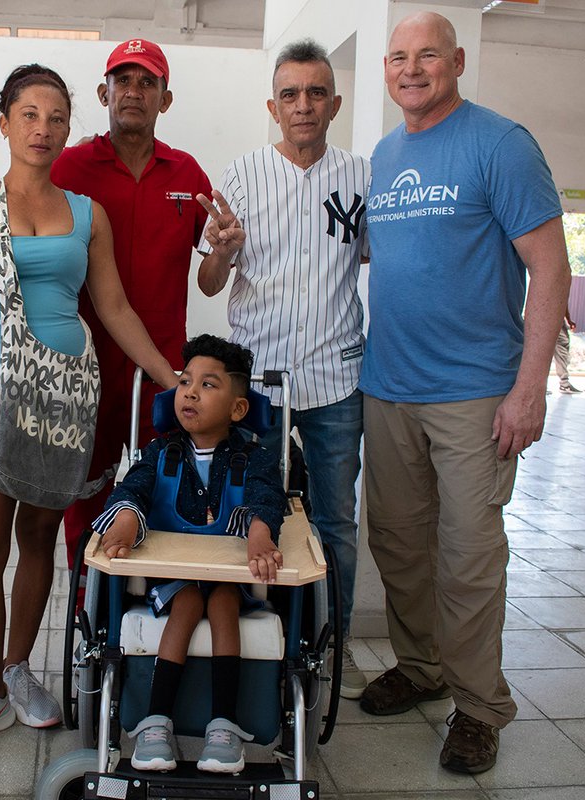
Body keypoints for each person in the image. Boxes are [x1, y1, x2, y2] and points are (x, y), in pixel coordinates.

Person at [0, 64, 179, 758]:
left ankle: (17, 669)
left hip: (64, 397)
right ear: (4, 123)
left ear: (69, 127)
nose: (42, 129)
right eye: (29, 115)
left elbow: (114, 308)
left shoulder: (86, 213)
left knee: (39, 539)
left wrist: (170, 378)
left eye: (56, 117)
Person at [358, 12, 571, 774]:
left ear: (456, 61)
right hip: (388, 385)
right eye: (398, 58)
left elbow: (551, 267)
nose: (411, 69)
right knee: (397, 543)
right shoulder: (384, 155)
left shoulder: (500, 144)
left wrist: (530, 388)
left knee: (469, 556)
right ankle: (422, 668)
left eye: (427, 56)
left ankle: (479, 707)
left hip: (474, 393)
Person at [195, 38, 370, 699]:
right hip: (259, 386)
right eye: (290, 95)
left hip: (335, 380)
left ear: (334, 104)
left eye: (316, 93)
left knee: (336, 522)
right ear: (273, 107)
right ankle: (253, 642)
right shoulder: (241, 176)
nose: (303, 105)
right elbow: (210, 282)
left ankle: (331, 646)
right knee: (249, 513)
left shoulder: (360, 177)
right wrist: (223, 250)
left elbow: (379, 259)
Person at [52, 39, 212, 574]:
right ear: (104, 93)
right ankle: (86, 602)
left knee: (165, 494)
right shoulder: (69, 168)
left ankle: (155, 604)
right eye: (123, 80)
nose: (134, 92)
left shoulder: (187, 175)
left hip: (162, 370)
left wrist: (225, 251)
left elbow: (212, 277)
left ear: (165, 99)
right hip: (85, 366)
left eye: (147, 82)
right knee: (84, 495)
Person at [94, 334, 287, 774]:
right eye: (184, 382)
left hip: (229, 574)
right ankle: (155, 721)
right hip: (176, 574)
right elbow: (134, 486)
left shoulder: (253, 457)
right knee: (186, 602)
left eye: (208, 384)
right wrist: (125, 517)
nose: (191, 392)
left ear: (238, 408)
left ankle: (224, 726)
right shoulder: (161, 452)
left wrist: (260, 532)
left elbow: (266, 495)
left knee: (222, 600)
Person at [552, 309, 578, 393]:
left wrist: (568, 319)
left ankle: (564, 383)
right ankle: (564, 383)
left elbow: (563, 304)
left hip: (552, 317)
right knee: (562, 344)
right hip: (552, 317)